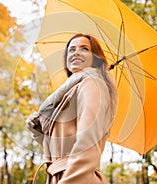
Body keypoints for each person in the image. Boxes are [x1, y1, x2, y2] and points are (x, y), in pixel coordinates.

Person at [26, 33, 118, 184]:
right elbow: (60, 148)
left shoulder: (92, 84)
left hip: (78, 177)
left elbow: (88, 142)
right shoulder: (70, 92)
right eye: (72, 49)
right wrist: (39, 131)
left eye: (84, 49)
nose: (76, 52)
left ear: (95, 58)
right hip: (62, 176)